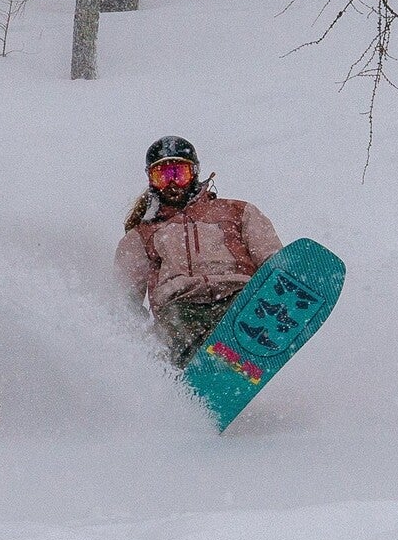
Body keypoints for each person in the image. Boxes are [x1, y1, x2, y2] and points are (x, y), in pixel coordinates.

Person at [115, 136, 283, 367]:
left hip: (237, 297)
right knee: (175, 332)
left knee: (238, 320)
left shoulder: (237, 212)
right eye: (162, 176)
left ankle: (240, 350)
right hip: (180, 306)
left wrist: (281, 281)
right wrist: (138, 335)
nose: (172, 184)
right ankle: (189, 375)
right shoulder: (141, 236)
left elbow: (269, 255)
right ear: (150, 179)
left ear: (194, 172)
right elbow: (126, 298)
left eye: (179, 174)